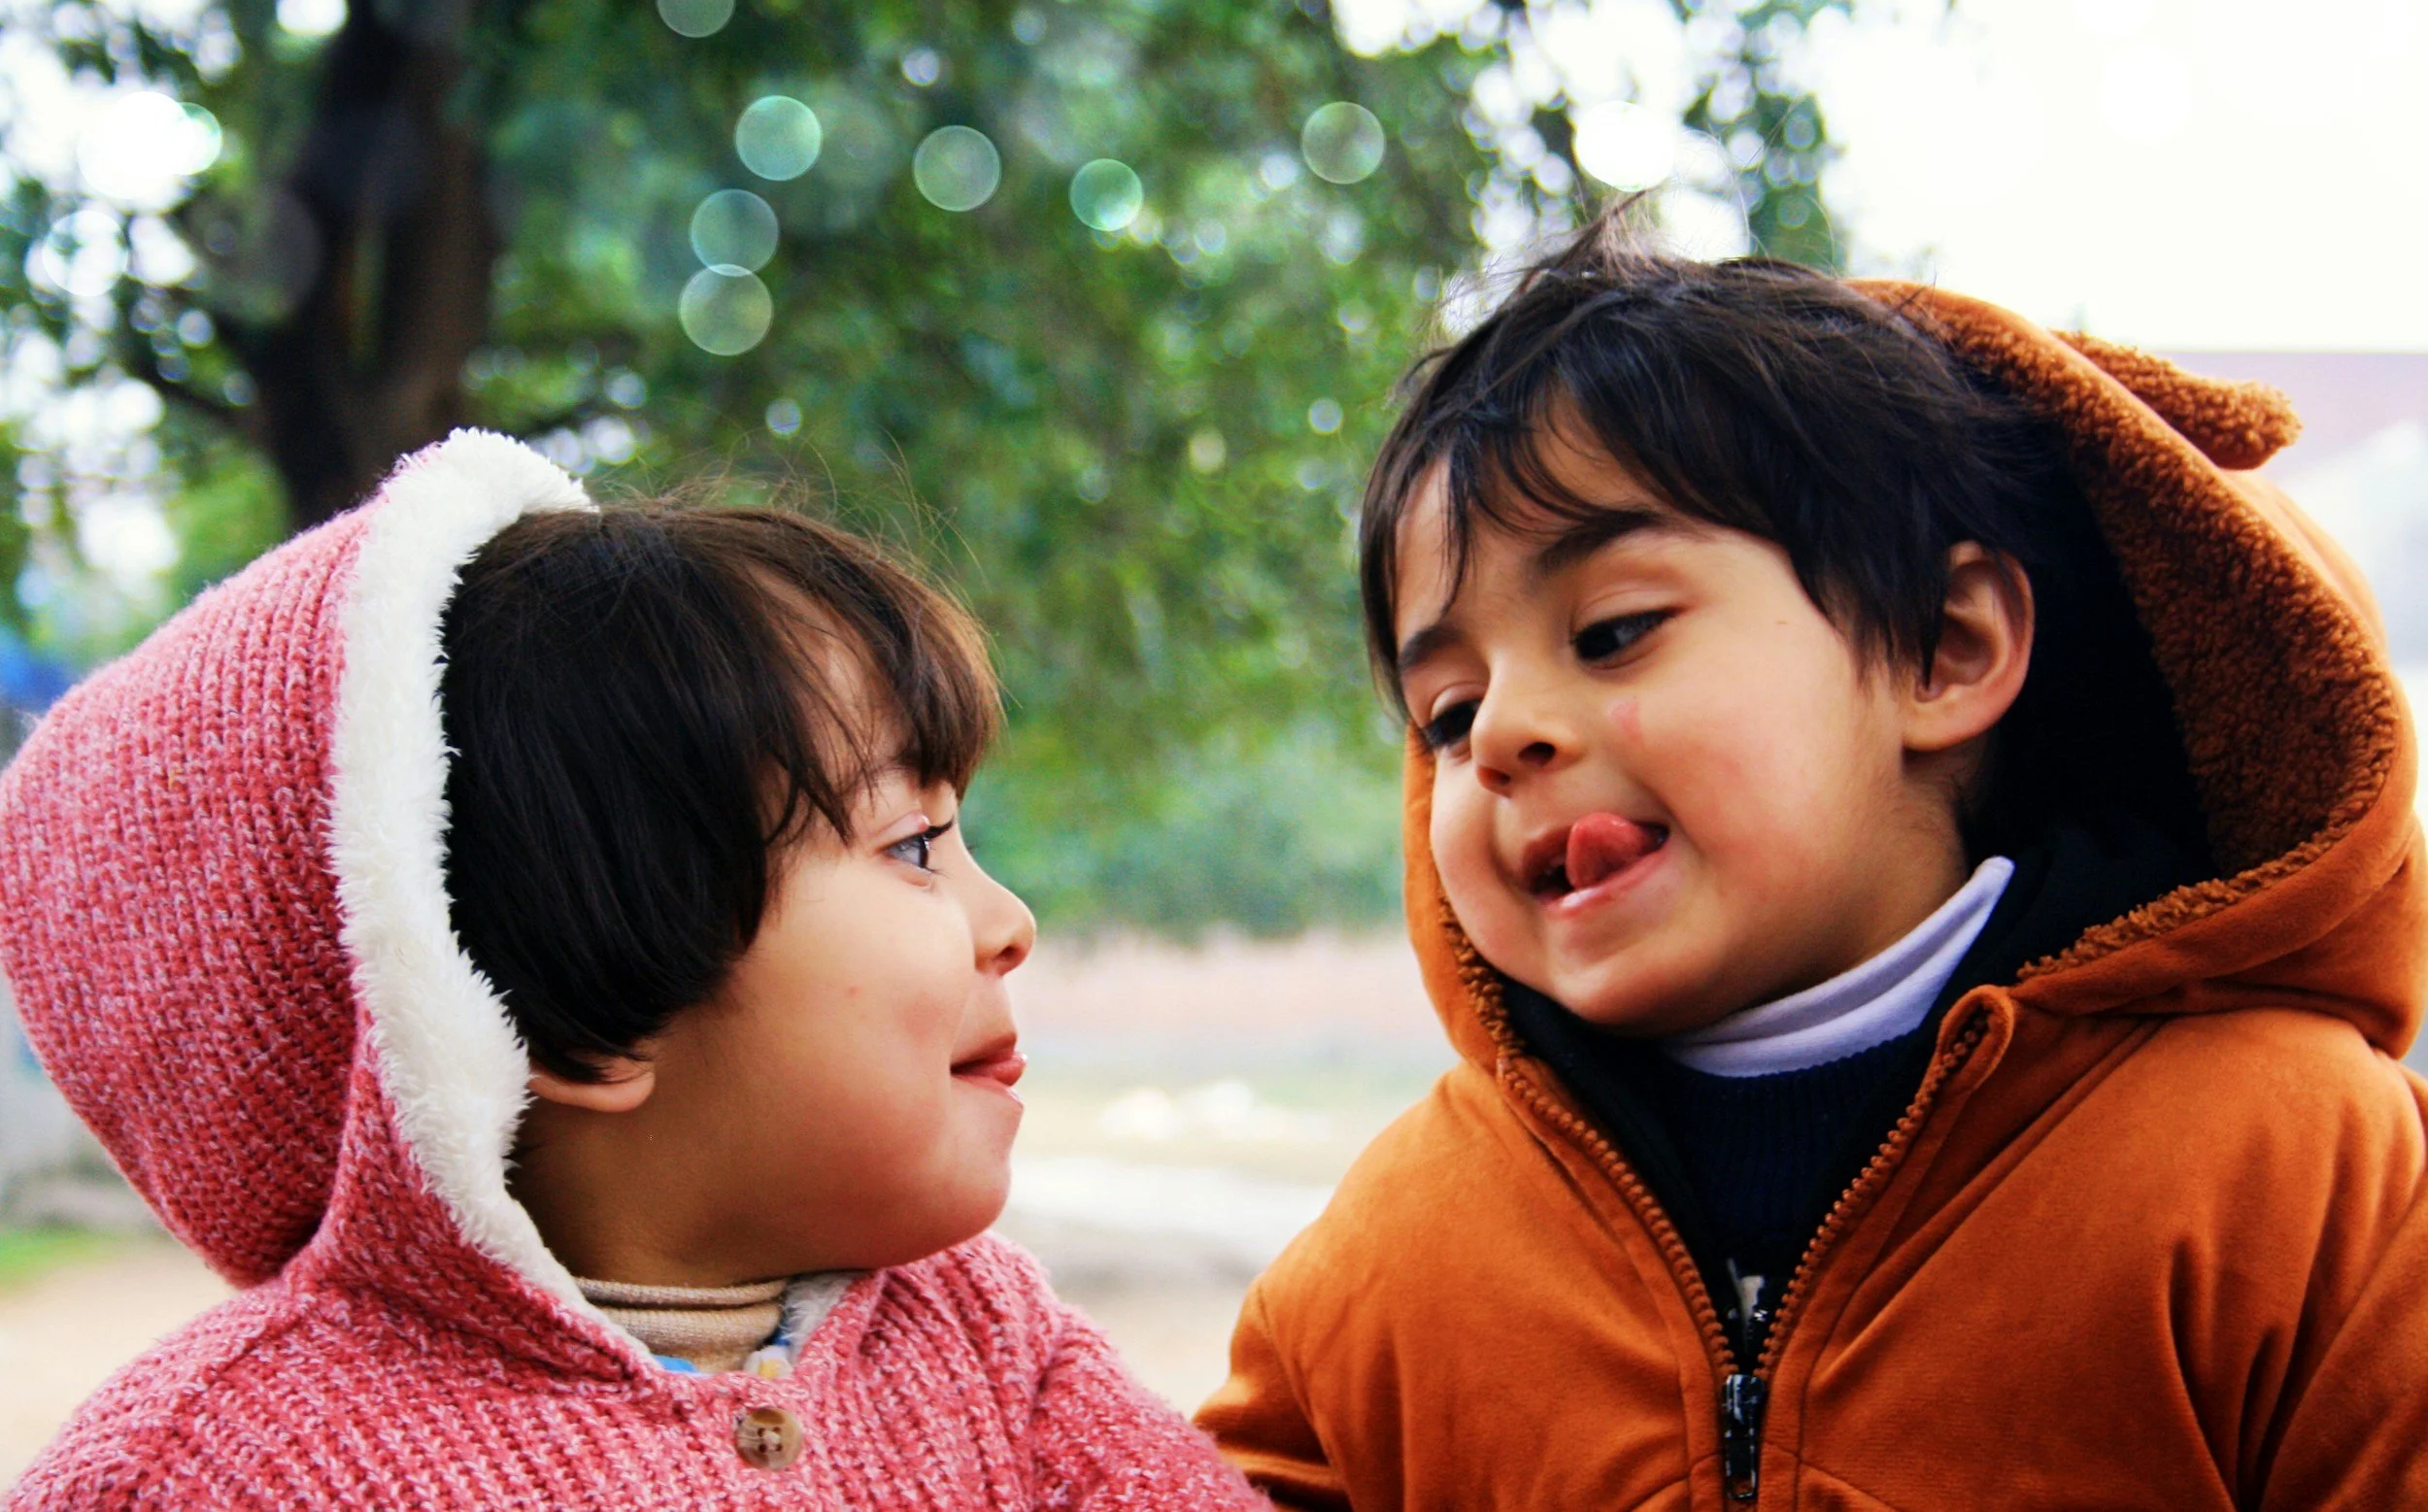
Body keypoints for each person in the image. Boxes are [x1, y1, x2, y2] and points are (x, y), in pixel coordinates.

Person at [1198, 214, 2428, 1508]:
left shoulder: (2294, 1174)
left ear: (1942, 649)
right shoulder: (1398, 1252)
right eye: (1445, 713)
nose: (1500, 732)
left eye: (1614, 629)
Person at [0, 430, 1265, 1510]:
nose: (1010, 920)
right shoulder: (237, 1468)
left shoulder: (986, 1343)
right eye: (914, 845)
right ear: (577, 1026)